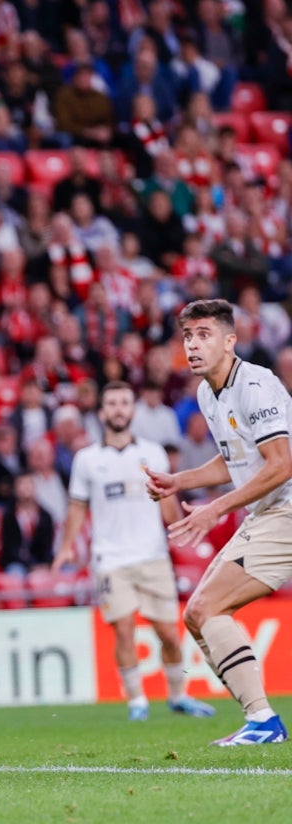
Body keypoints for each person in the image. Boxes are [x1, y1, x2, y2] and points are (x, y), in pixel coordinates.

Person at [145, 299, 292, 746]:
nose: (193, 344)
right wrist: (180, 481)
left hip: (286, 509)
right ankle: (259, 719)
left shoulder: (256, 385)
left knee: (209, 608)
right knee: (196, 614)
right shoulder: (208, 393)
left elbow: (282, 463)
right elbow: (237, 460)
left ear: (230, 341)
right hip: (267, 511)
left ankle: (263, 721)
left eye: (204, 334)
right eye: (188, 336)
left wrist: (215, 509)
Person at [53, 381, 215, 722]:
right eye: (111, 403)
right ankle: (137, 702)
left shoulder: (153, 453)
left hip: (152, 554)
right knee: (123, 628)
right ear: (101, 412)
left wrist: (181, 523)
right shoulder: (87, 459)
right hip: (110, 559)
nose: (118, 409)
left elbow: (167, 505)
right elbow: (77, 508)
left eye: (124, 402)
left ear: (132, 410)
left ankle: (177, 695)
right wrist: (67, 548)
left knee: (168, 633)